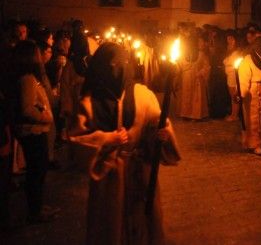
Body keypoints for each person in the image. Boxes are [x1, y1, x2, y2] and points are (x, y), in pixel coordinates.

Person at [69, 42, 180, 245]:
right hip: (108, 180)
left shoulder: (143, 95)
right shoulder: (88, 102)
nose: (116, 69)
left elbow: (156, 125)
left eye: (120, 63)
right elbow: (76, 140)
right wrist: (108, 140)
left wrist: (161, 135)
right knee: (110, 228)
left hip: (141, 174)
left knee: (143, 226)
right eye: (111, 65)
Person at [10, 40, 56, 223]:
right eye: (37, 53)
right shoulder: (27, 79)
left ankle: (37, 206)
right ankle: (34, 211)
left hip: (35, 131)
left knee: (38, 170)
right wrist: (44, 116)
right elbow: (27, 108)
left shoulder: (29, 77)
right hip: (33, 132)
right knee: (36, 172)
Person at [177, 33, 211, 120]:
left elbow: (207, 66)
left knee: (196, 97)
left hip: (197, 78)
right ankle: (186, 114)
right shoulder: (183, 54)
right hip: (186, 78)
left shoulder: (201, 54)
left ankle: (196, 115)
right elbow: (179, 66)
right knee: (187, 96)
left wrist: (200, 73)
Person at [223, 30, 242, 121]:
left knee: (235, 95)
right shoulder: (228, 49)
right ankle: (233, 114)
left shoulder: (237, 51)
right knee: (232, 96)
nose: (229, 41)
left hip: (234, 75)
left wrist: (228, 65)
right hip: (229, 75)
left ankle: (235, 115)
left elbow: (235, 64)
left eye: (231, 39)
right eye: (228, 39)